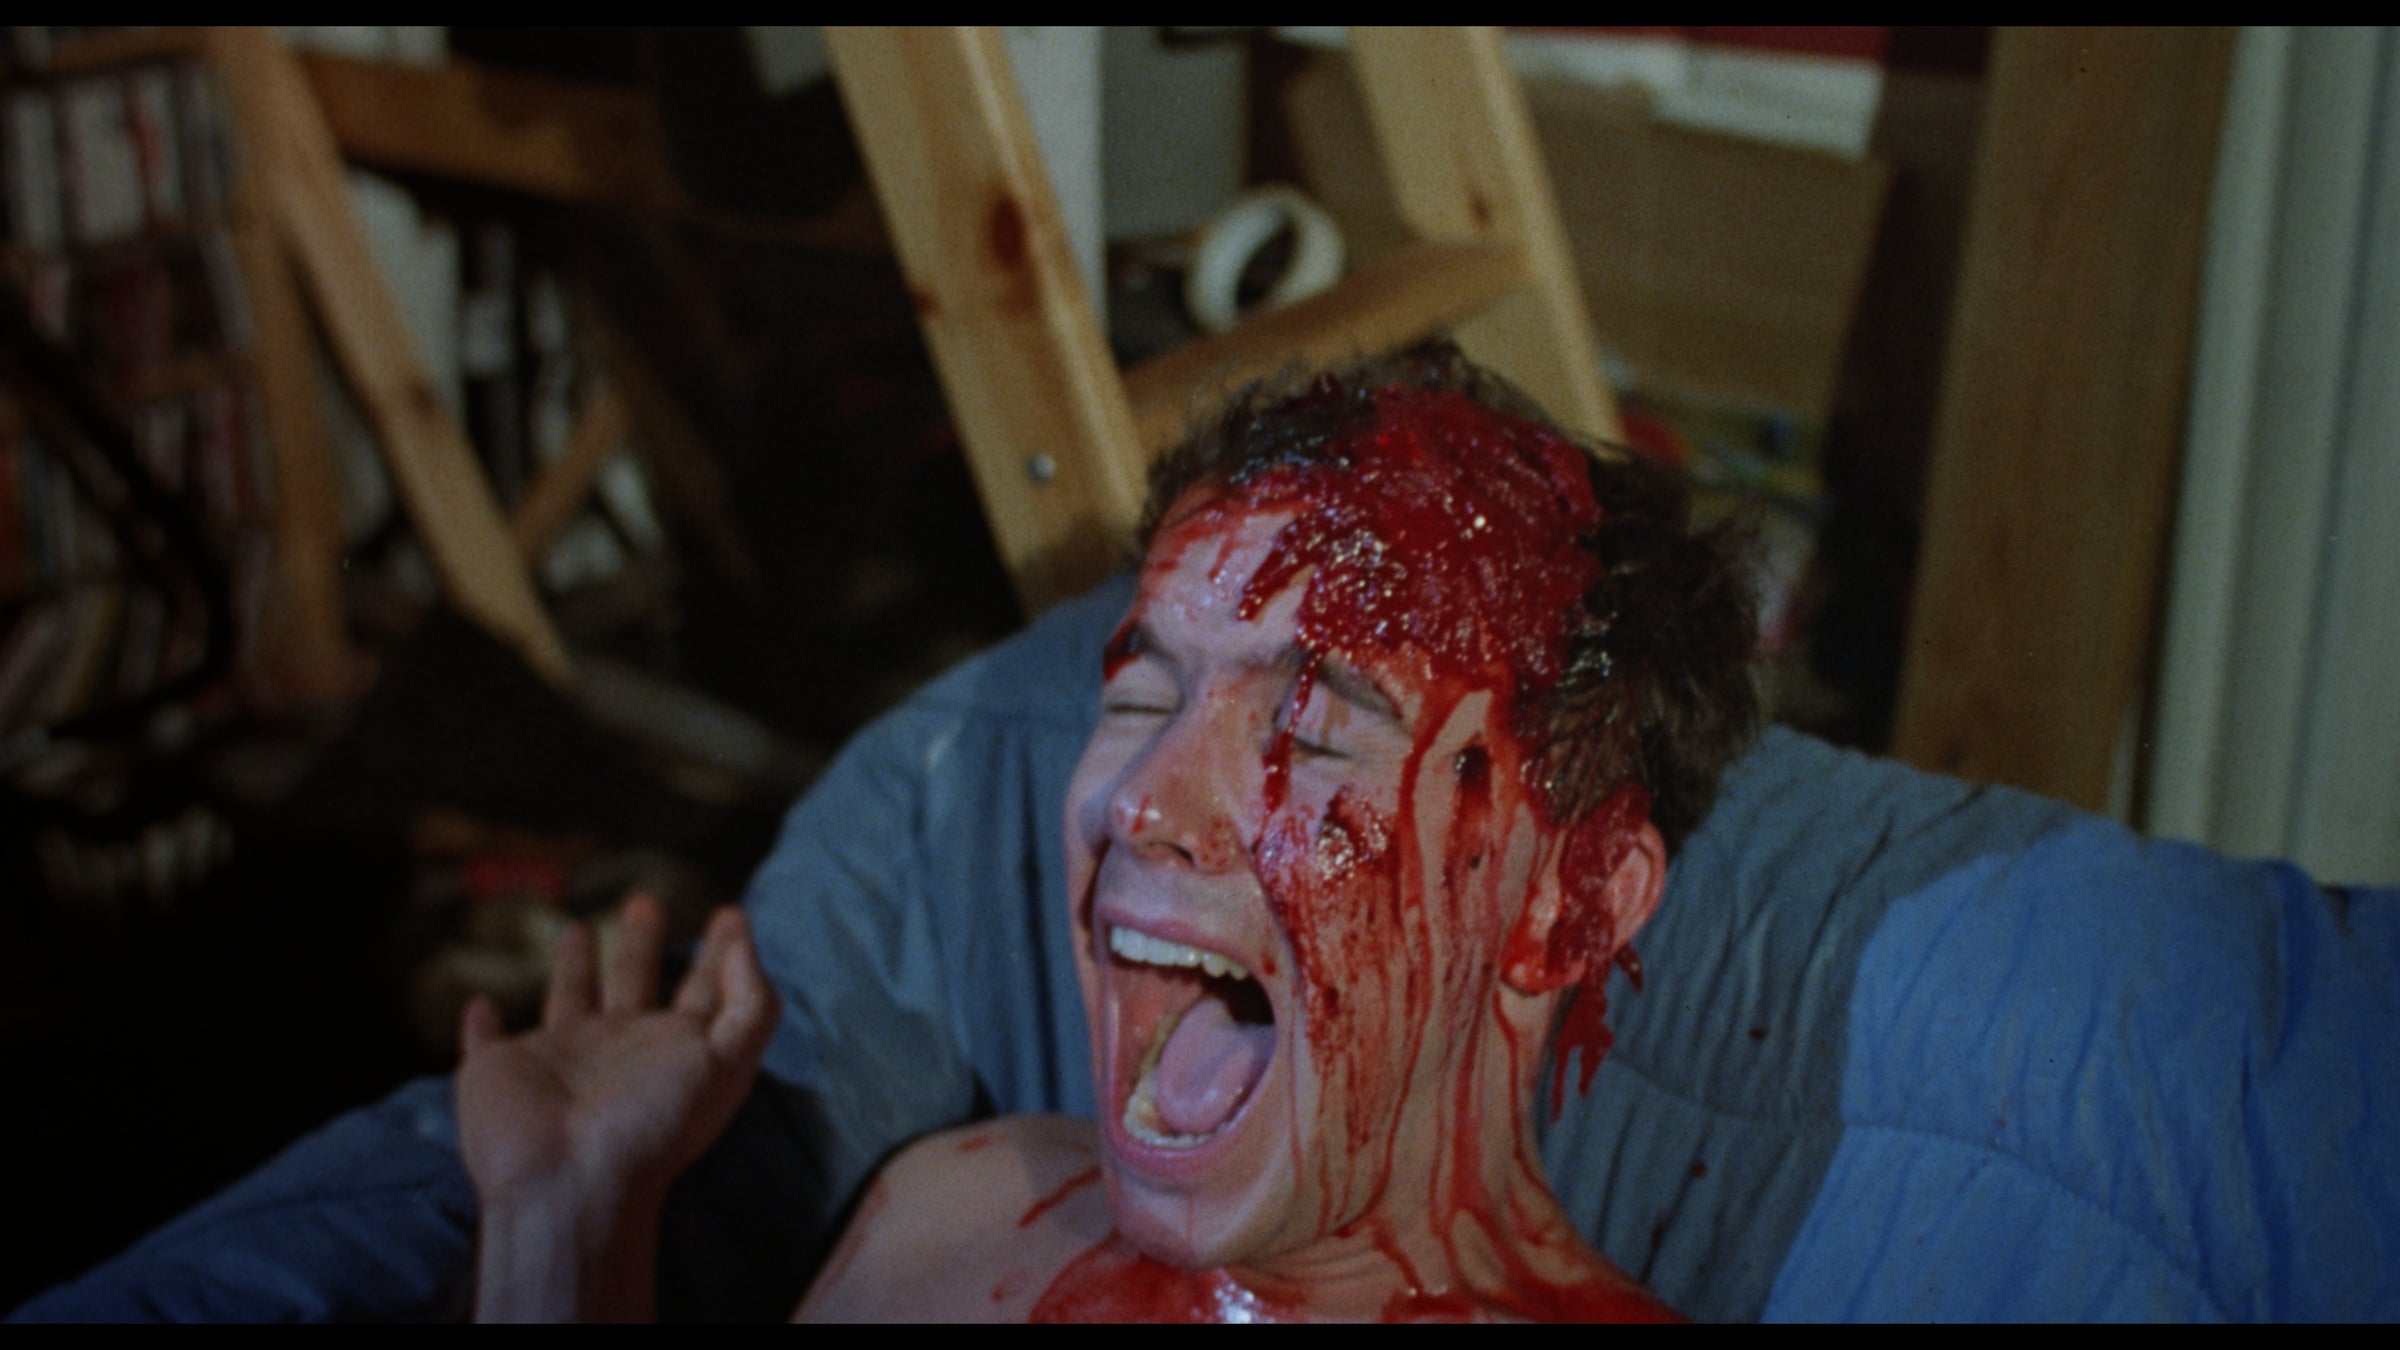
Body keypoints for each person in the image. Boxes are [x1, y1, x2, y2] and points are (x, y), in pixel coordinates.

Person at [457, 344, 1761, 1322]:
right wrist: (564, 1219)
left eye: (1312, 729)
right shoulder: (953, 1210)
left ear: (1572, 903)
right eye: (1141, 698)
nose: (1139, 799)